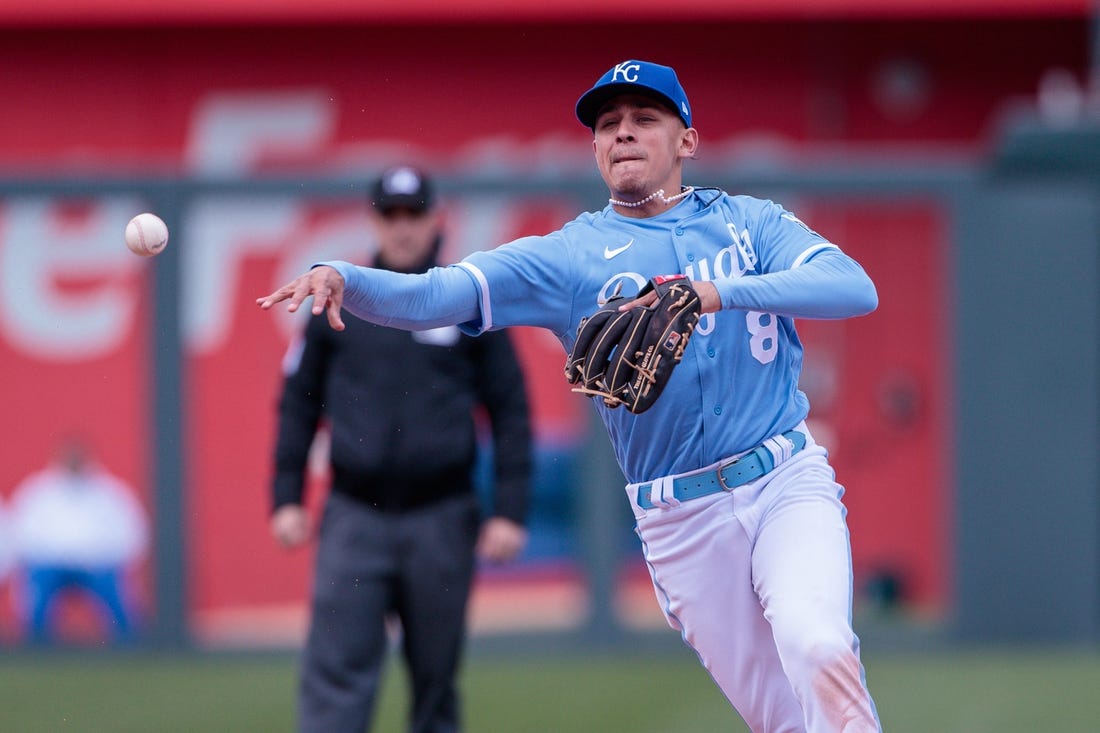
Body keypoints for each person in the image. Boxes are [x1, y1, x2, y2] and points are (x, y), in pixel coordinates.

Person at [259, 61, 882, 732]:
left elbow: (852, 286)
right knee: (783, 719)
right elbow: (440, 291)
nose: (624, 134)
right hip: (681, 519)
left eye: (645, 119)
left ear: (687, 141)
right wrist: (344, 276)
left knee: (816, 642)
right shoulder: (569, 257)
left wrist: (715, 291)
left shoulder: (749, 225)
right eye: (608, 125)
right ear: (594, 150)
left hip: (784, 478)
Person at [269, 165, 534, 733]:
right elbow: (298, 402)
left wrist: (509, 510)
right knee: (336, 673)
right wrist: (287, 496)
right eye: (391, 215)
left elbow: (510, 410)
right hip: (354, 515)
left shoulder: (467, 300)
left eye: (413, 214)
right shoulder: (342, 300)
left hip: (441, 515)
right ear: (374, 221)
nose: (403, 227)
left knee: (435, 680)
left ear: (434, 218)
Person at [7, 435, 148, 644]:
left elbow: (133, 533)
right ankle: (35, 647)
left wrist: (110, 557)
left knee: (120, 599)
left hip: (97, 566)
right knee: (36, 594)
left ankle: (129, 647)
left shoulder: (110, 492)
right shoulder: (38, 491)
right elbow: (20, 532)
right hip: (49, 566)